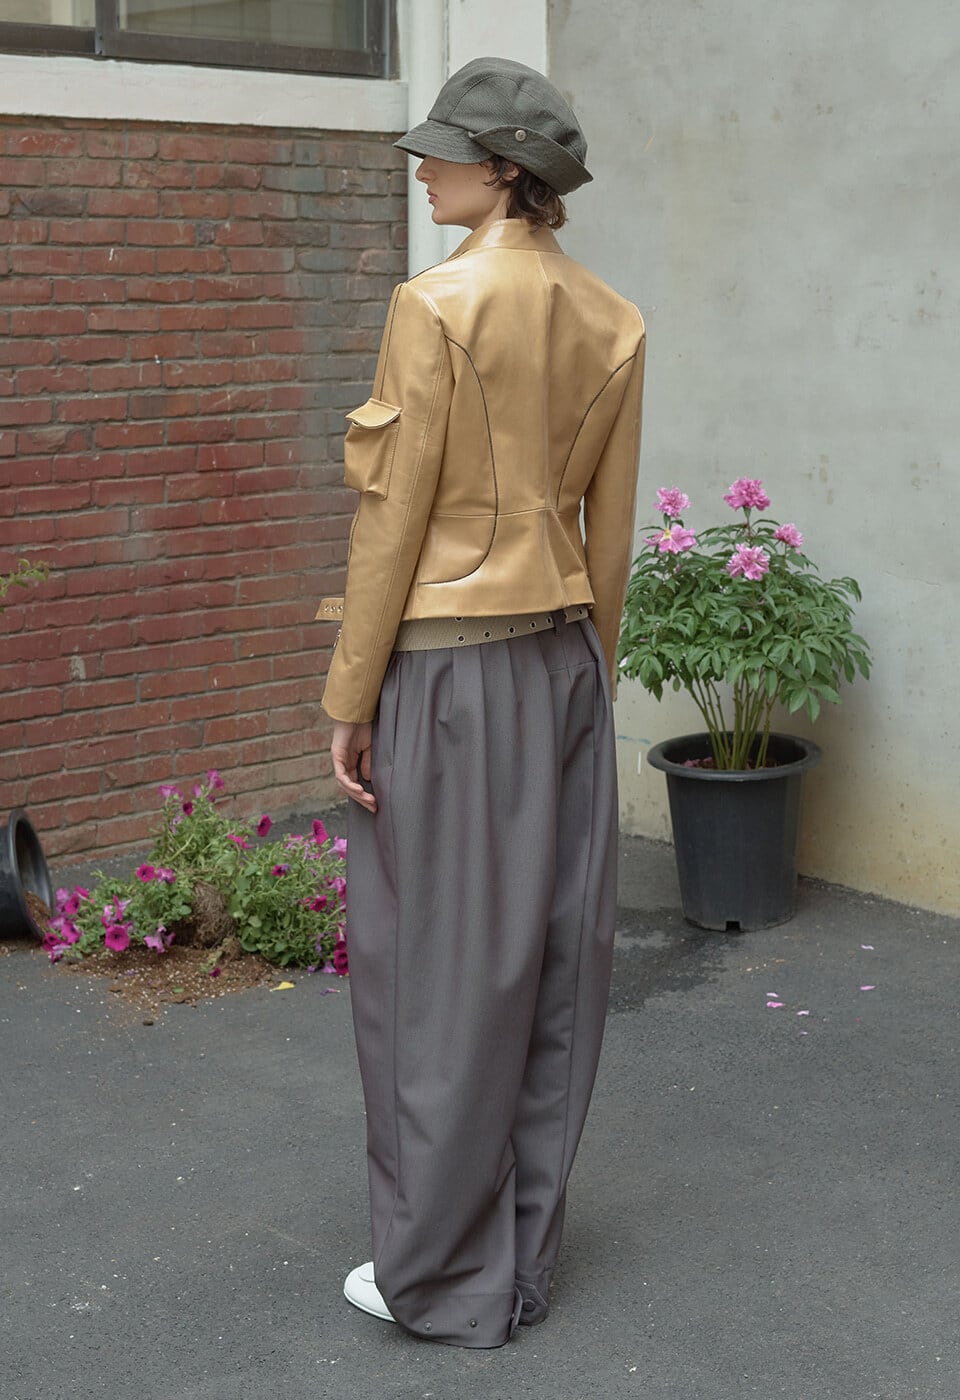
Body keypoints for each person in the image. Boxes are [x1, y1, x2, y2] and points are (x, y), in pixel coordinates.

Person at [318, 56, 645, 1349]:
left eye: (444, 150)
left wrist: (352, 693)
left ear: (505, 170)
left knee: (433, 979)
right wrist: (585, 684)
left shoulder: (437, 303)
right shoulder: (614, 320)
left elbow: (393, 519)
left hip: (450, 671)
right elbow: (609, 538)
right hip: (563, 663)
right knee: (549, 971)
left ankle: (444, 1278)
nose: (423, 167)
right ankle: (514, 1264)